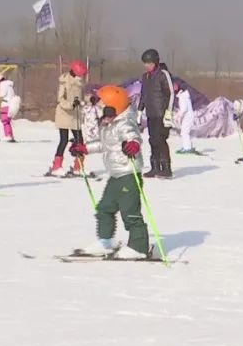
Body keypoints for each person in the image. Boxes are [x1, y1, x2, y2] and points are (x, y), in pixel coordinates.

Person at [69, 85, 150, 259]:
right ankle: (105, 241)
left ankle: (139, 246)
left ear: (114, 106)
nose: (101, 109)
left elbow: (134, 137)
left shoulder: (125, 123)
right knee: (105, 208)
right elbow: (103, 145)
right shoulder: (108, 124)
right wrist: (83, 148)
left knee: (130, 212)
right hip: (115, 175)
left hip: (129, 174)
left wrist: (133, 145)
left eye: (104, 105)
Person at [47, 60, 87, 177]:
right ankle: (56, 166)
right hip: (64, 114)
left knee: (80, 141)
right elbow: (60, 99)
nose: (82, 76)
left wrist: (85, 101)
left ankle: (78, 166)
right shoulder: (65, 82)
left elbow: (81, 97)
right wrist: (71, 104)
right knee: (64, 140)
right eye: (80, 74)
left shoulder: (79, 83)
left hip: (75, 116)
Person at [138, 49, 173, 178]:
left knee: (160, 140)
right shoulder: (145, 76)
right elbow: (144, 95)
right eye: (145, 63)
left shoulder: (163, 74)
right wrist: (139, 110)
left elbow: (171, 93)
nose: (147, 66)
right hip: (151, 113)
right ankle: (155, 167)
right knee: (152, 140)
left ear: (155, 62)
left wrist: (168, 113)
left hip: (161, 114)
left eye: (149, 63)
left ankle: (166, 168)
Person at [0, 73, 20, 143]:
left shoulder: (3, 84)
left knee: (5, 121)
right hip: (10, 104)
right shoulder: (9, 85)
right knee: (7, 121)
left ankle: (8, 135)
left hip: (6, 104)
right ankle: (10, 135)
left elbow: (2, 94)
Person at [174, 82, 198, 155]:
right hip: (187, 117)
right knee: (184, 132)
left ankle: (187, 148)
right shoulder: (183, 96)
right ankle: (186, 146)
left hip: (188, 117)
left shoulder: (182, 97)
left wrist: (178, 116)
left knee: (185, 132)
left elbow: (184, 109)